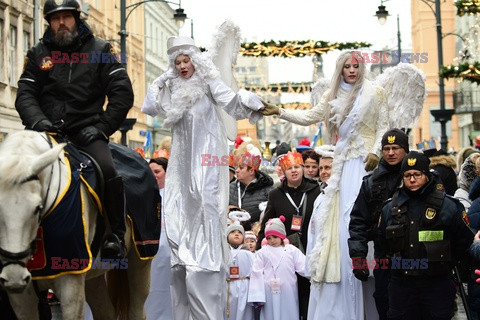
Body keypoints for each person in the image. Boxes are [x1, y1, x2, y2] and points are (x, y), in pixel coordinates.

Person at [141, 35, 264, 319]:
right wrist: (160, 80)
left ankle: (207, 255)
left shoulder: (208, 81)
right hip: (182, 164)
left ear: (195, 61)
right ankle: (185, 252)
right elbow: (151, 107)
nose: (183, 66)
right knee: (178, 208)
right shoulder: (172, 85)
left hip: (208, 160)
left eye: (187, 60)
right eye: (178, 62)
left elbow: (231, 103)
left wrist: (248, 99)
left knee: (206, 204)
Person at [262, 51, 389, 318]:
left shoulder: (374, 92)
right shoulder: (332, 94)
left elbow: (383, 127)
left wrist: (376, 151)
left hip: (365, 164)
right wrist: (280, 112)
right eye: (347, 66)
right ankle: (343, 291)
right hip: (343, 164)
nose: (352, 70)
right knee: (338, 226)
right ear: (340, 69)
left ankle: (367, 290)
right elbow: (311, 116)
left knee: (361, 220)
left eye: (356, 66)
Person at [15, 0, 133, 259]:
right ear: (48, 22)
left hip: (86, 132)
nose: (61, 23)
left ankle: (115, 234)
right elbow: (25, 95)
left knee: (107, 168)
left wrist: (102, 128)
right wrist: (38, 122)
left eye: (66, 17)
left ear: (77, 19)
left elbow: (122, 94)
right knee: (14, 173)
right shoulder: (38, 53)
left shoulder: (101, 50)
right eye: (55, 19)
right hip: (45, 133)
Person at [377, 151, 473, 320]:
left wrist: (446, 265)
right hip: (402, 287)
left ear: (426, 175)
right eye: (407, 175)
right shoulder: (389, 209)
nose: (412, 180)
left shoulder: (449, 206)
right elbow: (381, 246)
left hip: (436, 285)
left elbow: (464, 241)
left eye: (417, 174)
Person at [348, 128, 409, 319]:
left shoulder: (417, 177)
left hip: (415, 257)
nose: (390, 153)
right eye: (387, 148)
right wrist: (358, 259)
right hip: (384, 257)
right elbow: (358, 222)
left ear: (406, 150)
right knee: (384, 303)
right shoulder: (371, 183)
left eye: (396, 148)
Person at [258, 151, 320, 319]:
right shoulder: (276, 194)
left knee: (310, 288)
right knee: (290, 289)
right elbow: (266, 224)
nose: (294, 171)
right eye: (290, 168)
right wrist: (258, 250)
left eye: (297, 167)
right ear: (284, 172)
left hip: (311, 245)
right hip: (285, 250)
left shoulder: (316, 190)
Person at [248, 216, 307, 320]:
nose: (272, 241)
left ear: (282, 236)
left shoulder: (291, 250)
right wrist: (257, 296)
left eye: (275, 237)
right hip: (268, 292)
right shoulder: (262, 253)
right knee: (270, 314)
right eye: (269, 238)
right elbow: (256, 273)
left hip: (288, 292)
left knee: (288, 313)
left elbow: (304, 266)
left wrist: (316, 276)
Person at [145, 157, 172, 320]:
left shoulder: (175, 196)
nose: (153, 176)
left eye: (157, 172)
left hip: (170, 254)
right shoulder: (141, 195)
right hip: (148, 253)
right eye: (150, 172)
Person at [229, 144, 274, 229]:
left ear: (251, 171)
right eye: (237, 167)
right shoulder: (230, 189)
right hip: (235, 235)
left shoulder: (267, 190)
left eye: (241, 168)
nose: (237, 171)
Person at [225, 221, 254, 320]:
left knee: (244, 313)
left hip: (244, 288)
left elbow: (255, 272)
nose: (236, 234)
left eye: (240, 232)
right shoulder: (223, 253)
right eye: (232, 232)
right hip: (227, 287)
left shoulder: (248, 254)